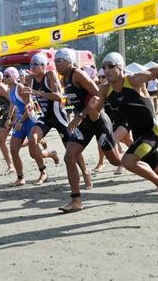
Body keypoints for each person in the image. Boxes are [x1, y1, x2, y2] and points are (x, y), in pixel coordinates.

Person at [90, 52, 158, 211]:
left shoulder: (133, 80)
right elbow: (95, 116)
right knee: (156, 170)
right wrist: (92, 107)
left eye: (111, 66)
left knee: (128, 161)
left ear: (121, 67)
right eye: (104, 67)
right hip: (139, 135)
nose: (106, 70)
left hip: (153, 131)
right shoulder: (104, 89)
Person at [55, 48, 121, 213]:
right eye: (55, 61)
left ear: (69, 60)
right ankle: (76, 200)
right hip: (84, 125)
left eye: (59, 60)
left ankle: (151, 166)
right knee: (69, 157)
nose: (56, 64)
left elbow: (98, 96)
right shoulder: (65, 78)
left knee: (117, 161)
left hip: (97, 120)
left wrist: (81, 115)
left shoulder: (78, 74)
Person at [25, 52, 89, 186]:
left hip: (59, 117)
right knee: (32, 140)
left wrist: (37, 93)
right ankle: (43, 171)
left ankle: (85, 172)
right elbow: (29, 98)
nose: (33, 67)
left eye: (36, 64)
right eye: (31, 64)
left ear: (44, 66)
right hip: (46, 117)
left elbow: (59, 96)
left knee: (72, 149)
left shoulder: (50, 75)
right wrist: (29, 103)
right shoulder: (30, 79)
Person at [2, 67, 58, 186]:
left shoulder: (20, 88)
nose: (4, 78)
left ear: (14, 76)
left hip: (30, 121)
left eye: (7, 76)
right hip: (20, 122)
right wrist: (8, 119)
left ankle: (43, 172)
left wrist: (21, 121)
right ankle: (20, 177)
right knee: (13, 149)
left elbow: (30, 105)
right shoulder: (10, 89)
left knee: (33, 153)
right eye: (4, 76)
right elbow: (12, 104)